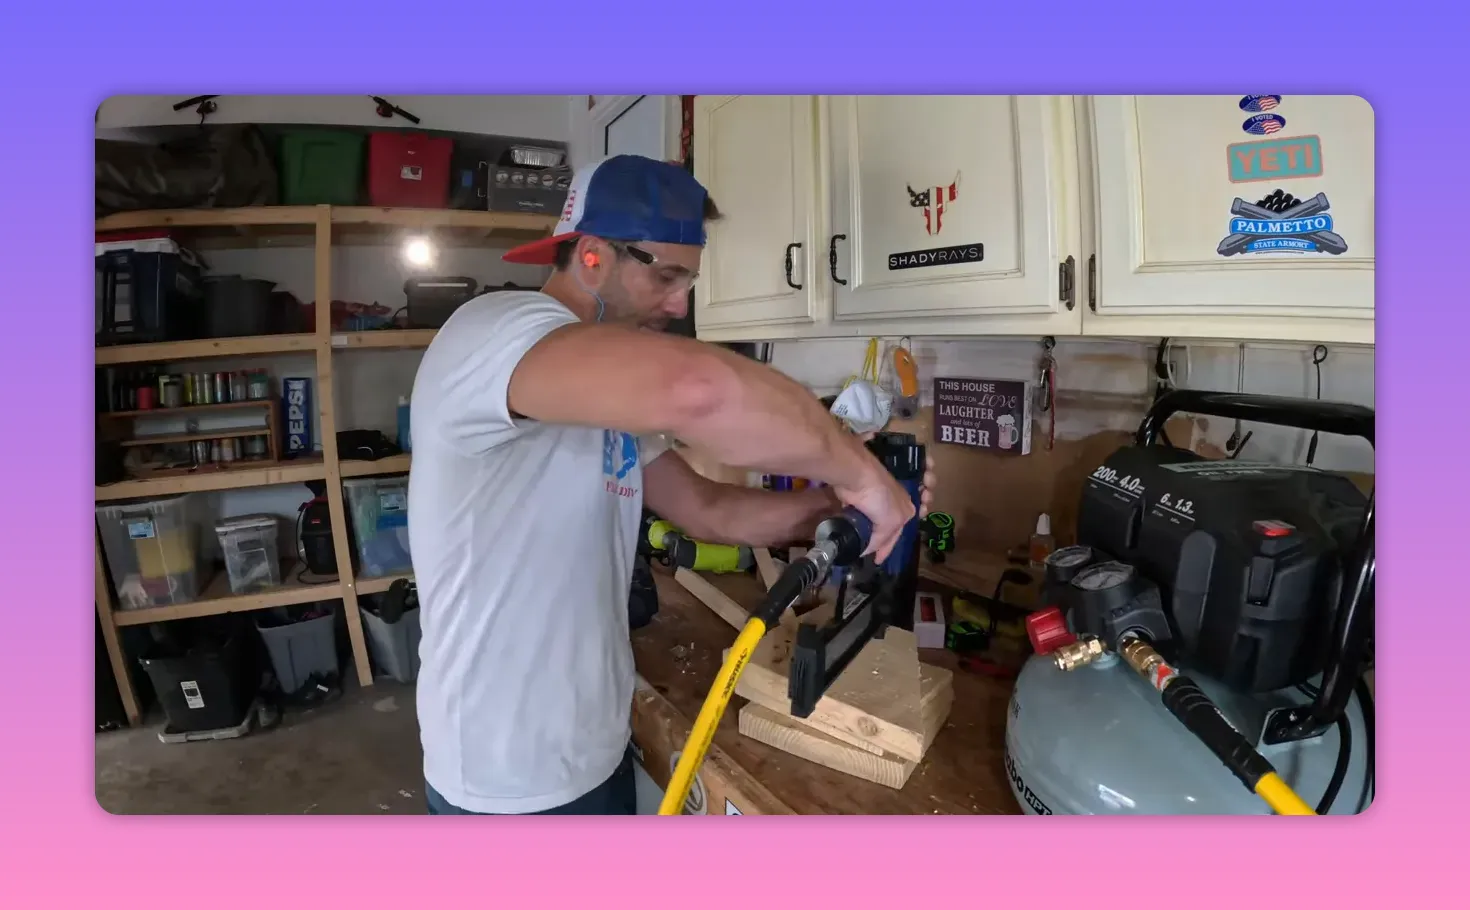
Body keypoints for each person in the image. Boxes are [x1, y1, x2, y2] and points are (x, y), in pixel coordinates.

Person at [406, 154, 935, 816]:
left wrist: (842, 505)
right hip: (504, 772)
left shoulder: (607, 400)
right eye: (666, 275)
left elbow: (710, 510)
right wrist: (862, 472)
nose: (681, 302)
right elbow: (698, 389)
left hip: (594, 742)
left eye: (689, 279)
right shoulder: (492, 335)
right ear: (592, 255)